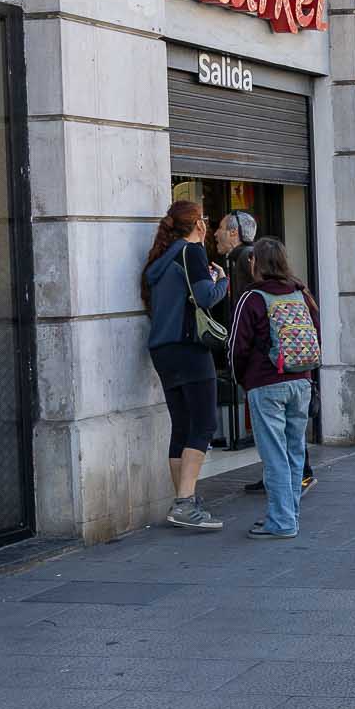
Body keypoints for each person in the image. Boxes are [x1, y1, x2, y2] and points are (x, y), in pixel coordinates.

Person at [142, 200, 230, 532]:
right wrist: (222, 282)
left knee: (182, 424)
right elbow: (206, 297)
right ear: (197, 224)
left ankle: (183, 500)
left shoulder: (161, 260)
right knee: (205, 423)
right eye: (204, 219)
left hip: (162, 349)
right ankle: (184, 503)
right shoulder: (191, 252)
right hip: (189, 347)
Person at [227, 237, 318, 540]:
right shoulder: (300, 293)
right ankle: (288, 516)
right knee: (294, 452)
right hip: (301, 380)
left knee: (274, 455)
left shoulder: (251, 298)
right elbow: (315, 331)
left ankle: (281, 522)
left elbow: (236, 347)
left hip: (266, 383)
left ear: (256, 263)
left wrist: (244, 378)